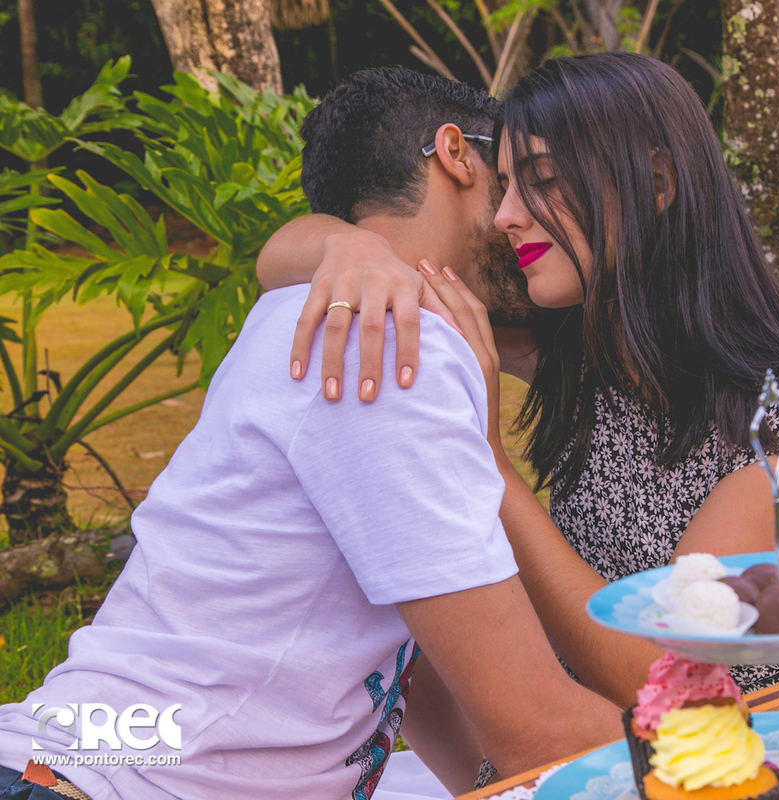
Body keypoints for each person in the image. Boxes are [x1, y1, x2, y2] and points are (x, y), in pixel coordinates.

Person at [0, 67, 620, 800]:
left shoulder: (307, 309)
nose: (520, 215)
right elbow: (537, 731)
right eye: (511, 180)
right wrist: (755, 746)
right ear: (456, 153)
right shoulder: (391, 342)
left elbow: (412, 680)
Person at [258, 53, 779, 706]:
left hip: (732, 758)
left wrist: (488, 460)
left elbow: (660, 673)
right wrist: (351, 249)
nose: (503, 216)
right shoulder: (585, 353)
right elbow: (276, 259)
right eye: (506, 184)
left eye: (539, 178)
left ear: (657, 183)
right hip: (586, 749)